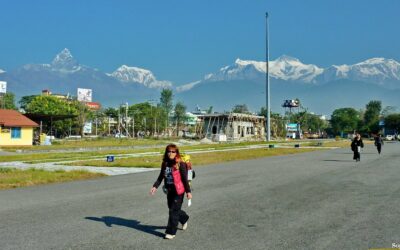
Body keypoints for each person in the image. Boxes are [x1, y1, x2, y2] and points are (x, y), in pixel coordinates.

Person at [150, 144, 192, 239]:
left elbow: (185, 179)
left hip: (179, 191)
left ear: (176, 153)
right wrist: (155, 186)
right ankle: (184, 218)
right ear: (166, 152)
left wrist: (188, 192)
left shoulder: (180, 164)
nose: (171, 153)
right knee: (172, 208)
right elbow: (161, 176)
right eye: (169, 151)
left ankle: (171, 232)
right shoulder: (165, 163)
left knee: (173, 211)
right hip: (169, 191)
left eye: (173, 151)